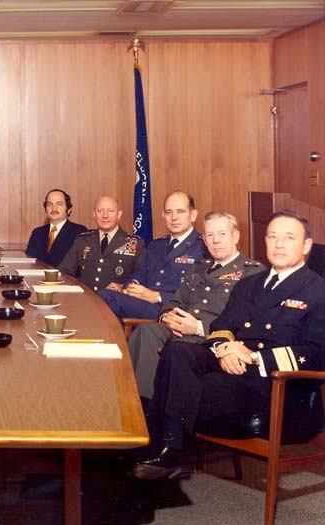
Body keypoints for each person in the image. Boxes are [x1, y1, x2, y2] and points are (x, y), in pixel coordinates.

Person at [133, 210, 325, 480]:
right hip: (231, 368)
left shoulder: (317, 291)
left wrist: (253, 357)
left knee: (184, 384)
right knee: (177, 351)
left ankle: (162, 449)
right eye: (273, 237)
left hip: (272, 383)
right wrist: (224, 350)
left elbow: (318, 353)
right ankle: (169, 451)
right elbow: (222, 326)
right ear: (265, 241)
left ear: (305, 246)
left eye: (289, 238)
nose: (279, 244)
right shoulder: (248, 284)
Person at [127, 211, 265, 398]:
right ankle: (132, 398)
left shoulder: (252, 272)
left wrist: (199, 328)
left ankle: (147, 405)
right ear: (204, 241)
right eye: (210, 235)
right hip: (178, 330)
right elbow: (175, 301)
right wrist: (167, 316)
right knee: (145, 331)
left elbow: (247, 323)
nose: (216, 240)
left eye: (222, 234)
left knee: (169, 347)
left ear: (235, 237)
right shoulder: (199, 267)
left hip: (210, 339)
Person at [97, 191, 207, 319]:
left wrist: (157, 296)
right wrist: (129, 288)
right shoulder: (156, 246)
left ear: (193, 215)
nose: (174, 217)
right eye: (169, 212)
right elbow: (139, 275)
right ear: (163, 215)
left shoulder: (202, 247)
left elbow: (201, 293)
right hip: (145, 305)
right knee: (104, 296)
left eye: (180, 212)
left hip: (173, 311)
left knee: (106, 297)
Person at [58, 195, 146, 292]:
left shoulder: (134, 243)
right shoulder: (83, 240)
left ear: (119, 214)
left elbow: (143, 277)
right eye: (100, 211)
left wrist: (123, 287)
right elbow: (64, 272)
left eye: (110, 211)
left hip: (115, 299)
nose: (105, 216)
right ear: (94, 214)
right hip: (86, 298)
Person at [25, 189, 86, 267]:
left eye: (59, 204)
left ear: (68, 209)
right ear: (46, 209)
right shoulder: (37, 233)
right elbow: (29, 262)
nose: (54, 209)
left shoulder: (79, 232)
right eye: (49, 204)